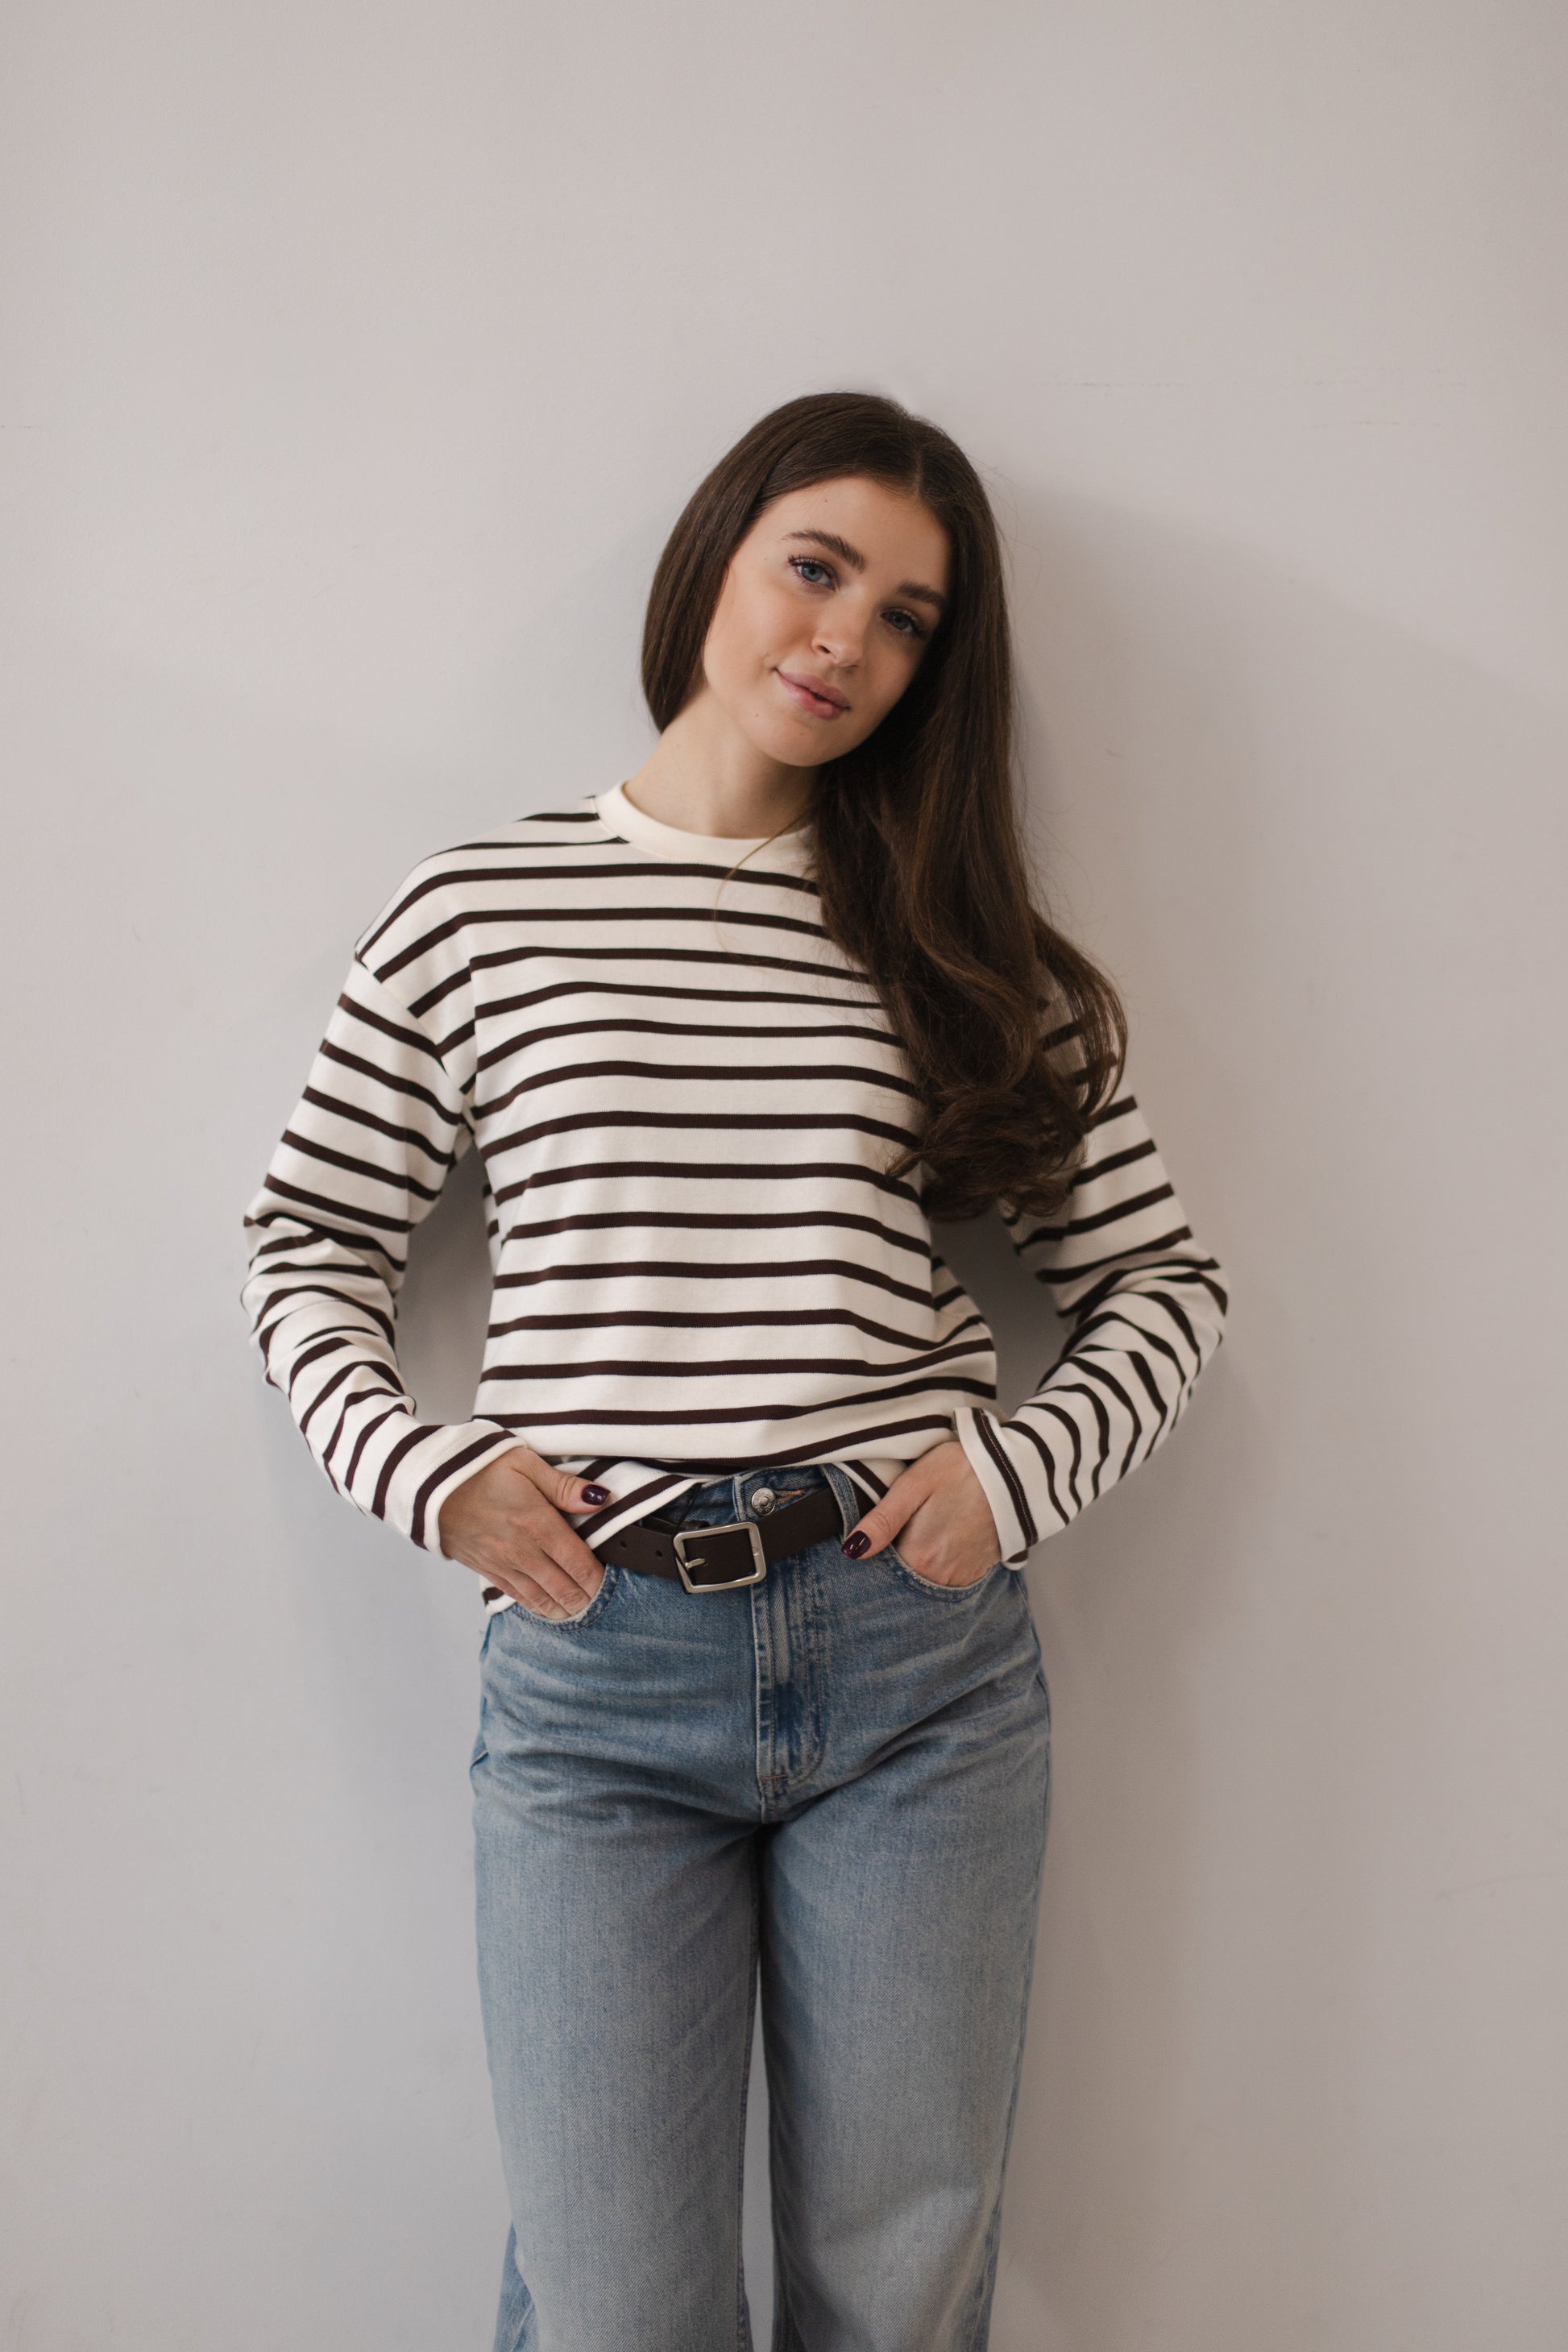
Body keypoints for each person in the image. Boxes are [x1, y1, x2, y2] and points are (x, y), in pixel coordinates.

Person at [241, 389, 1228, 2351]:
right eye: (816, 567)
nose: (847, 637)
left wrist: (1008, 1475)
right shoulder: (478, 910)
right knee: (615, 2302)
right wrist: (430, 1473)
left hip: (913, 1668)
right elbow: (307, 1242)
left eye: (908, 617)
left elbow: (1159, 1280)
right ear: (714, 558)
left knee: (896, 2286)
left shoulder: (950, 940)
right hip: (596, 1664)